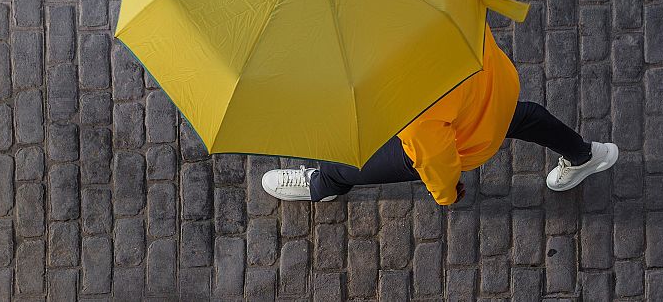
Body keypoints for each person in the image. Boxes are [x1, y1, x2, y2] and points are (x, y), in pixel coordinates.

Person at [261, 23, 618, 205]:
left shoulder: (415, 110)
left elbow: (435, 157)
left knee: (345, 165)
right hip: (493, 87)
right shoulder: (428, 6)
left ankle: (322, 185)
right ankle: (585, 155)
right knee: (525, 117)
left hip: (467, 129)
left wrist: (446, 193)